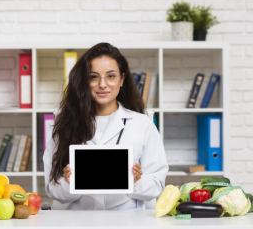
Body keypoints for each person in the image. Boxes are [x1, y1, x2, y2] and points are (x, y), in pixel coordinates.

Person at [43, 42, 168, 210]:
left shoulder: (142, 124)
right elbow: (52, 189)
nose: (102, 84)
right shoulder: (65, 125)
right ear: (84, 81)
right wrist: (69, 182)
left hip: (128, 220)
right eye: (93, 77)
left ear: (122, 79)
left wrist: (135, 180)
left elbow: (157, 184)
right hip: (81, 220)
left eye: (111, 76)